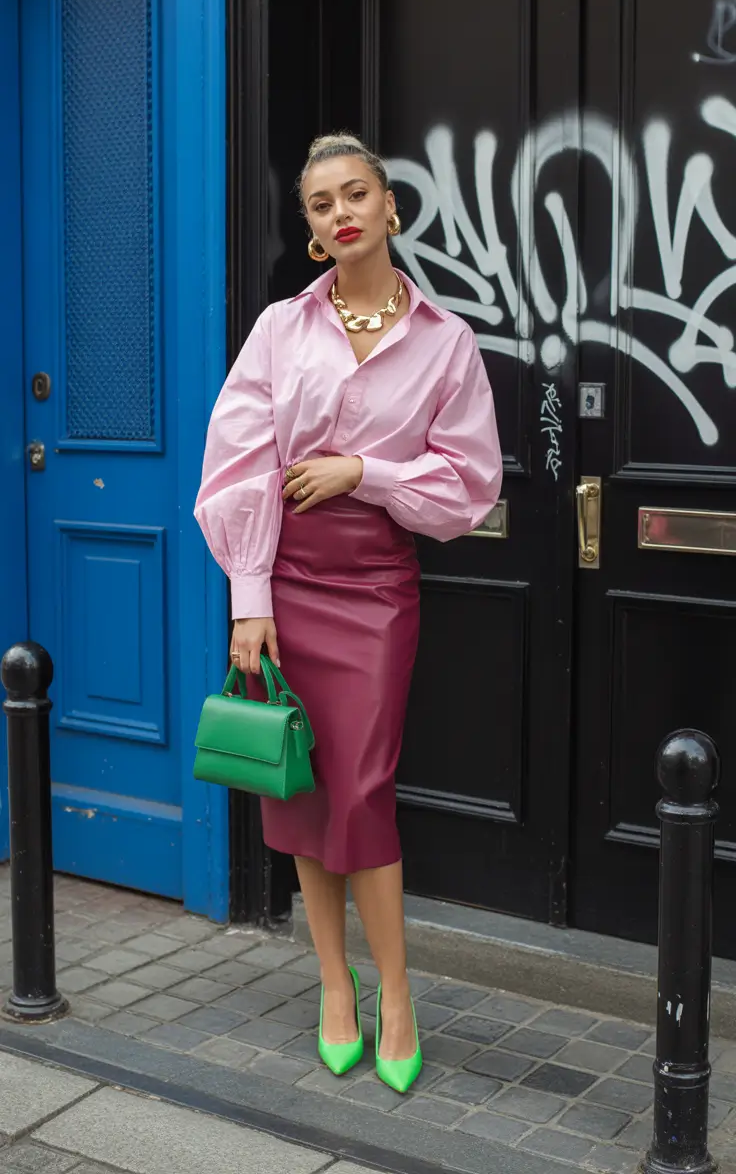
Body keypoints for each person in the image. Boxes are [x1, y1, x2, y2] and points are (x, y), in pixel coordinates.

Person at [194, 132, 503, 1093]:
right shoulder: (280, 331)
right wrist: (249, 600)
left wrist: (366, 472)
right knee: (299, 787)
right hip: (284, 580)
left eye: (354, 192)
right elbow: (236, 461)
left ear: (391, 207)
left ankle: (398, 992)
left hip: (375, 591)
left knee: (362, 789)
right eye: (320, 204)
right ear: (314, 230)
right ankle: (334, 985)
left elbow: (470, 486)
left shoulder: (446, 343)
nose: (340, 212)